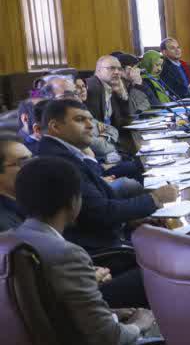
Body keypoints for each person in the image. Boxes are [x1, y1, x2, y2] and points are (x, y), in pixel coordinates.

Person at [11, 156, 171, 345]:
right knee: (183, 337)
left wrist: (112, 313)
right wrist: (139, 324)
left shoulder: (11, 241)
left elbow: (52, 311)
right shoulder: (65, 254)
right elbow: (108, 340)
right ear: (73, 201)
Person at [35, 98, 178, 256]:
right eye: (80, 120)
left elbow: (92, 207)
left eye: (90, 119)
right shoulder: (59, 161)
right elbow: (100, 213)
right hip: (100, 251)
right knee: (178, 250)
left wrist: (129, 222)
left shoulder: (60, 152)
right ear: (55, 126)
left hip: (103, 237)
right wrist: (155, 198)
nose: (90, 125)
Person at [84, 54, 134, 153]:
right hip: (101, 147)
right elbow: (98, 127)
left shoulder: (109, 87)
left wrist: (122, 96)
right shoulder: (93, 87)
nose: (117, 72)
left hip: (110, 139)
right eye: (111, 68)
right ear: (99, 70)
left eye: (119, 69)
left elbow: (121, 120)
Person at [0, 133, 31, 231]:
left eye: (33, 160)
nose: (35, 167)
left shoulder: (34, 203)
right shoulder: (6, 226)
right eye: (24, 163)